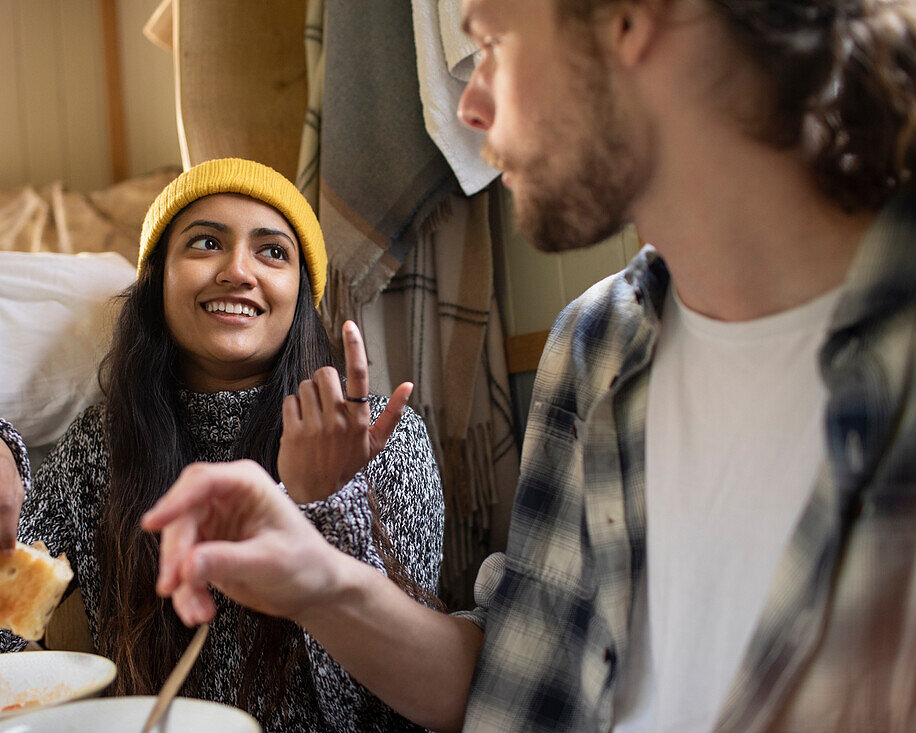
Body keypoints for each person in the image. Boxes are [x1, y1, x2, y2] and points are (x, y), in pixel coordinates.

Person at [141, 2, 916, 732]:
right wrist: (320, 577)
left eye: (490, 43)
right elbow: (518, 683)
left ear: (628, 17)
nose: (471, 107)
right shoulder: (596, 346)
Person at [0, 158, 445, 732]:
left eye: (272, 252)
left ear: (301, 296)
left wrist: (324, 511)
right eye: (206, 243)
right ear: (157, 281)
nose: (239, 271)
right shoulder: (100, 447)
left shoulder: (379, 440)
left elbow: (385, 714)